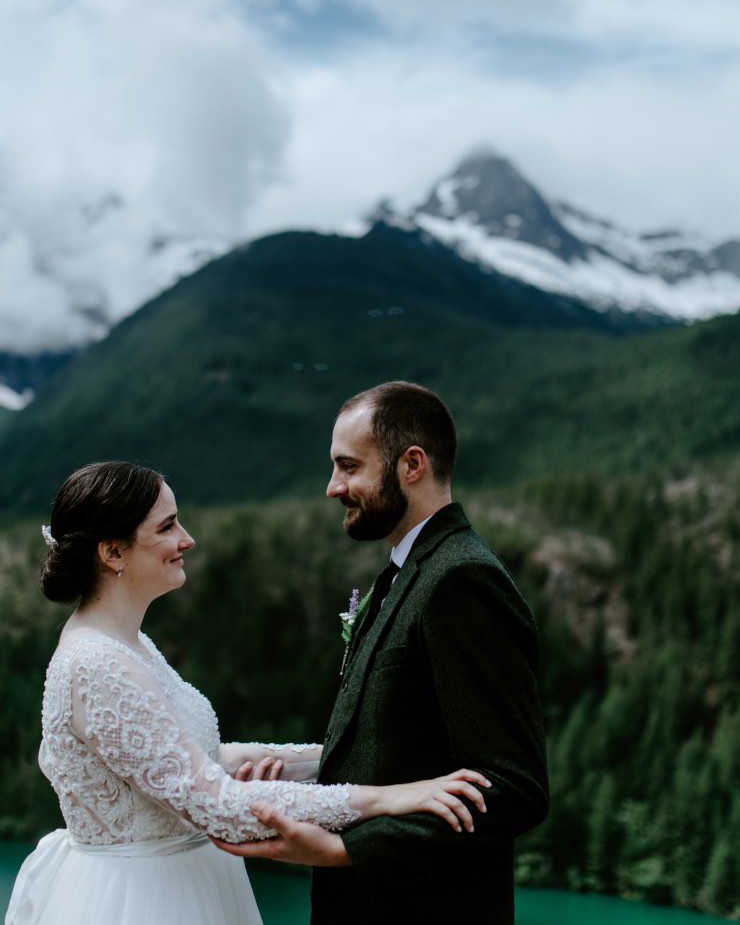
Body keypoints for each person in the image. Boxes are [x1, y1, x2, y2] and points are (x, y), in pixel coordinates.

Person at [4, 459, 493, 925]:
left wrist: (343, 758)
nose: (187, 539)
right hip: (139, 896)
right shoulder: (98, 663)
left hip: (180, 880)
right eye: (167, 526)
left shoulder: (129, 645)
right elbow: (217, 804)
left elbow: (192, 759)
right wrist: (388, 798)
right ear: (112, 553)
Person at [215, 382, 550, 923]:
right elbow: (397, 746)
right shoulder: (407, 572)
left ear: (411, 464)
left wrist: (344, 850)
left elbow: (514, 787)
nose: (332, 487)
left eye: (348, 466)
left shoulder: (462, 579)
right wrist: (299, 774)